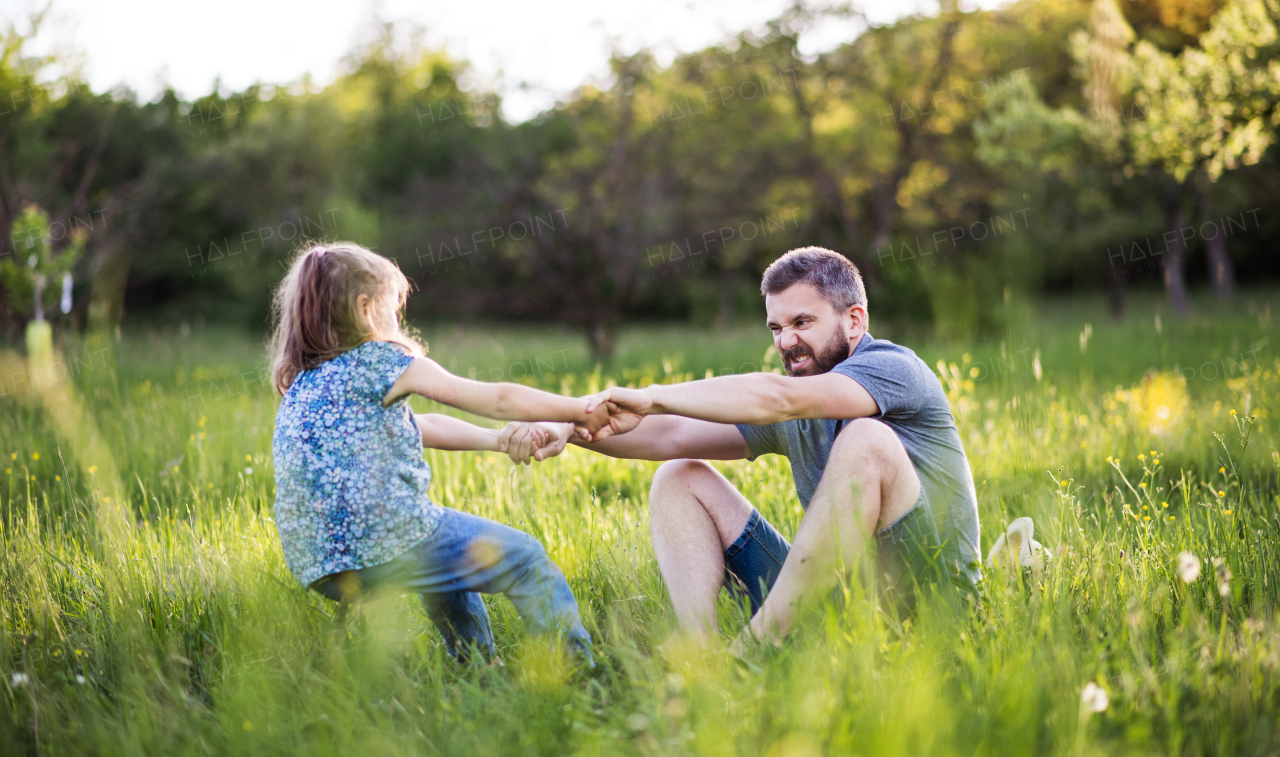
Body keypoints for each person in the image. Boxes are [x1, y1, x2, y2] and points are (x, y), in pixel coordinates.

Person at [503, 247, 981, 645]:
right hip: (842, 612)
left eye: (802, 322)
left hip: (935, 612)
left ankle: (755, 650)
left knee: (866, 438)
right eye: (776, 328)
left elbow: (778, 399)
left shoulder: (894, 371)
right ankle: (702, 653)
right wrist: (567, 425)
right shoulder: (799, 402)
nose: (787, 341)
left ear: (854, 320)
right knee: (679, 475)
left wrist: (650, 396)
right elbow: (670, 434)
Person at [268, 242, 630, 662]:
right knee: (526, 559)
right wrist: (580, 411)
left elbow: (424, 426)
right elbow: (496, 399)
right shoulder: (381, 360)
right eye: (392, 307)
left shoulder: (306, 384)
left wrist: (498, 441)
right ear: (366, 308)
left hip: (319, 563)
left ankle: (475, 671)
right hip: (383, 542)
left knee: (445, 568)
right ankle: (580, 676)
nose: (396, 319)